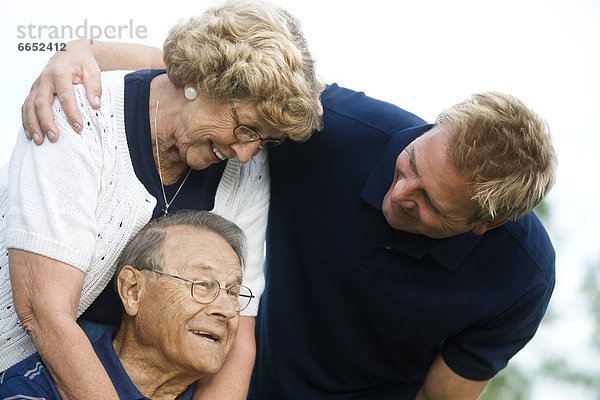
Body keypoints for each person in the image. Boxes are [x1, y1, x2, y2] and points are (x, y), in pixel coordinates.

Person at [21, 43, 557, 399]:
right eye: (412, 162)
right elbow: (217, 75)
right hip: (227, 378)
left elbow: (440, 397)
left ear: (485, 224)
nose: (401, 192)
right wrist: (81, 52)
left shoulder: (521, 277)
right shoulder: (342, 130)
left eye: (431, 204)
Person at [0, 1, 322, 399]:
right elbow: (44, 314)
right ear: (203, 82)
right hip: (24, 363)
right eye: (244, 128)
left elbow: (238, 340)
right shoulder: (79, 114)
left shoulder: (247, 167)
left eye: (263, 139)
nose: (245, 152)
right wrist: (77, 46)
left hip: (144, 374)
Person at [0, 209, 253, 399]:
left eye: (233, 292)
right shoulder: (35, 389)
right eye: (202, 284)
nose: (228, 311)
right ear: (132, 290)